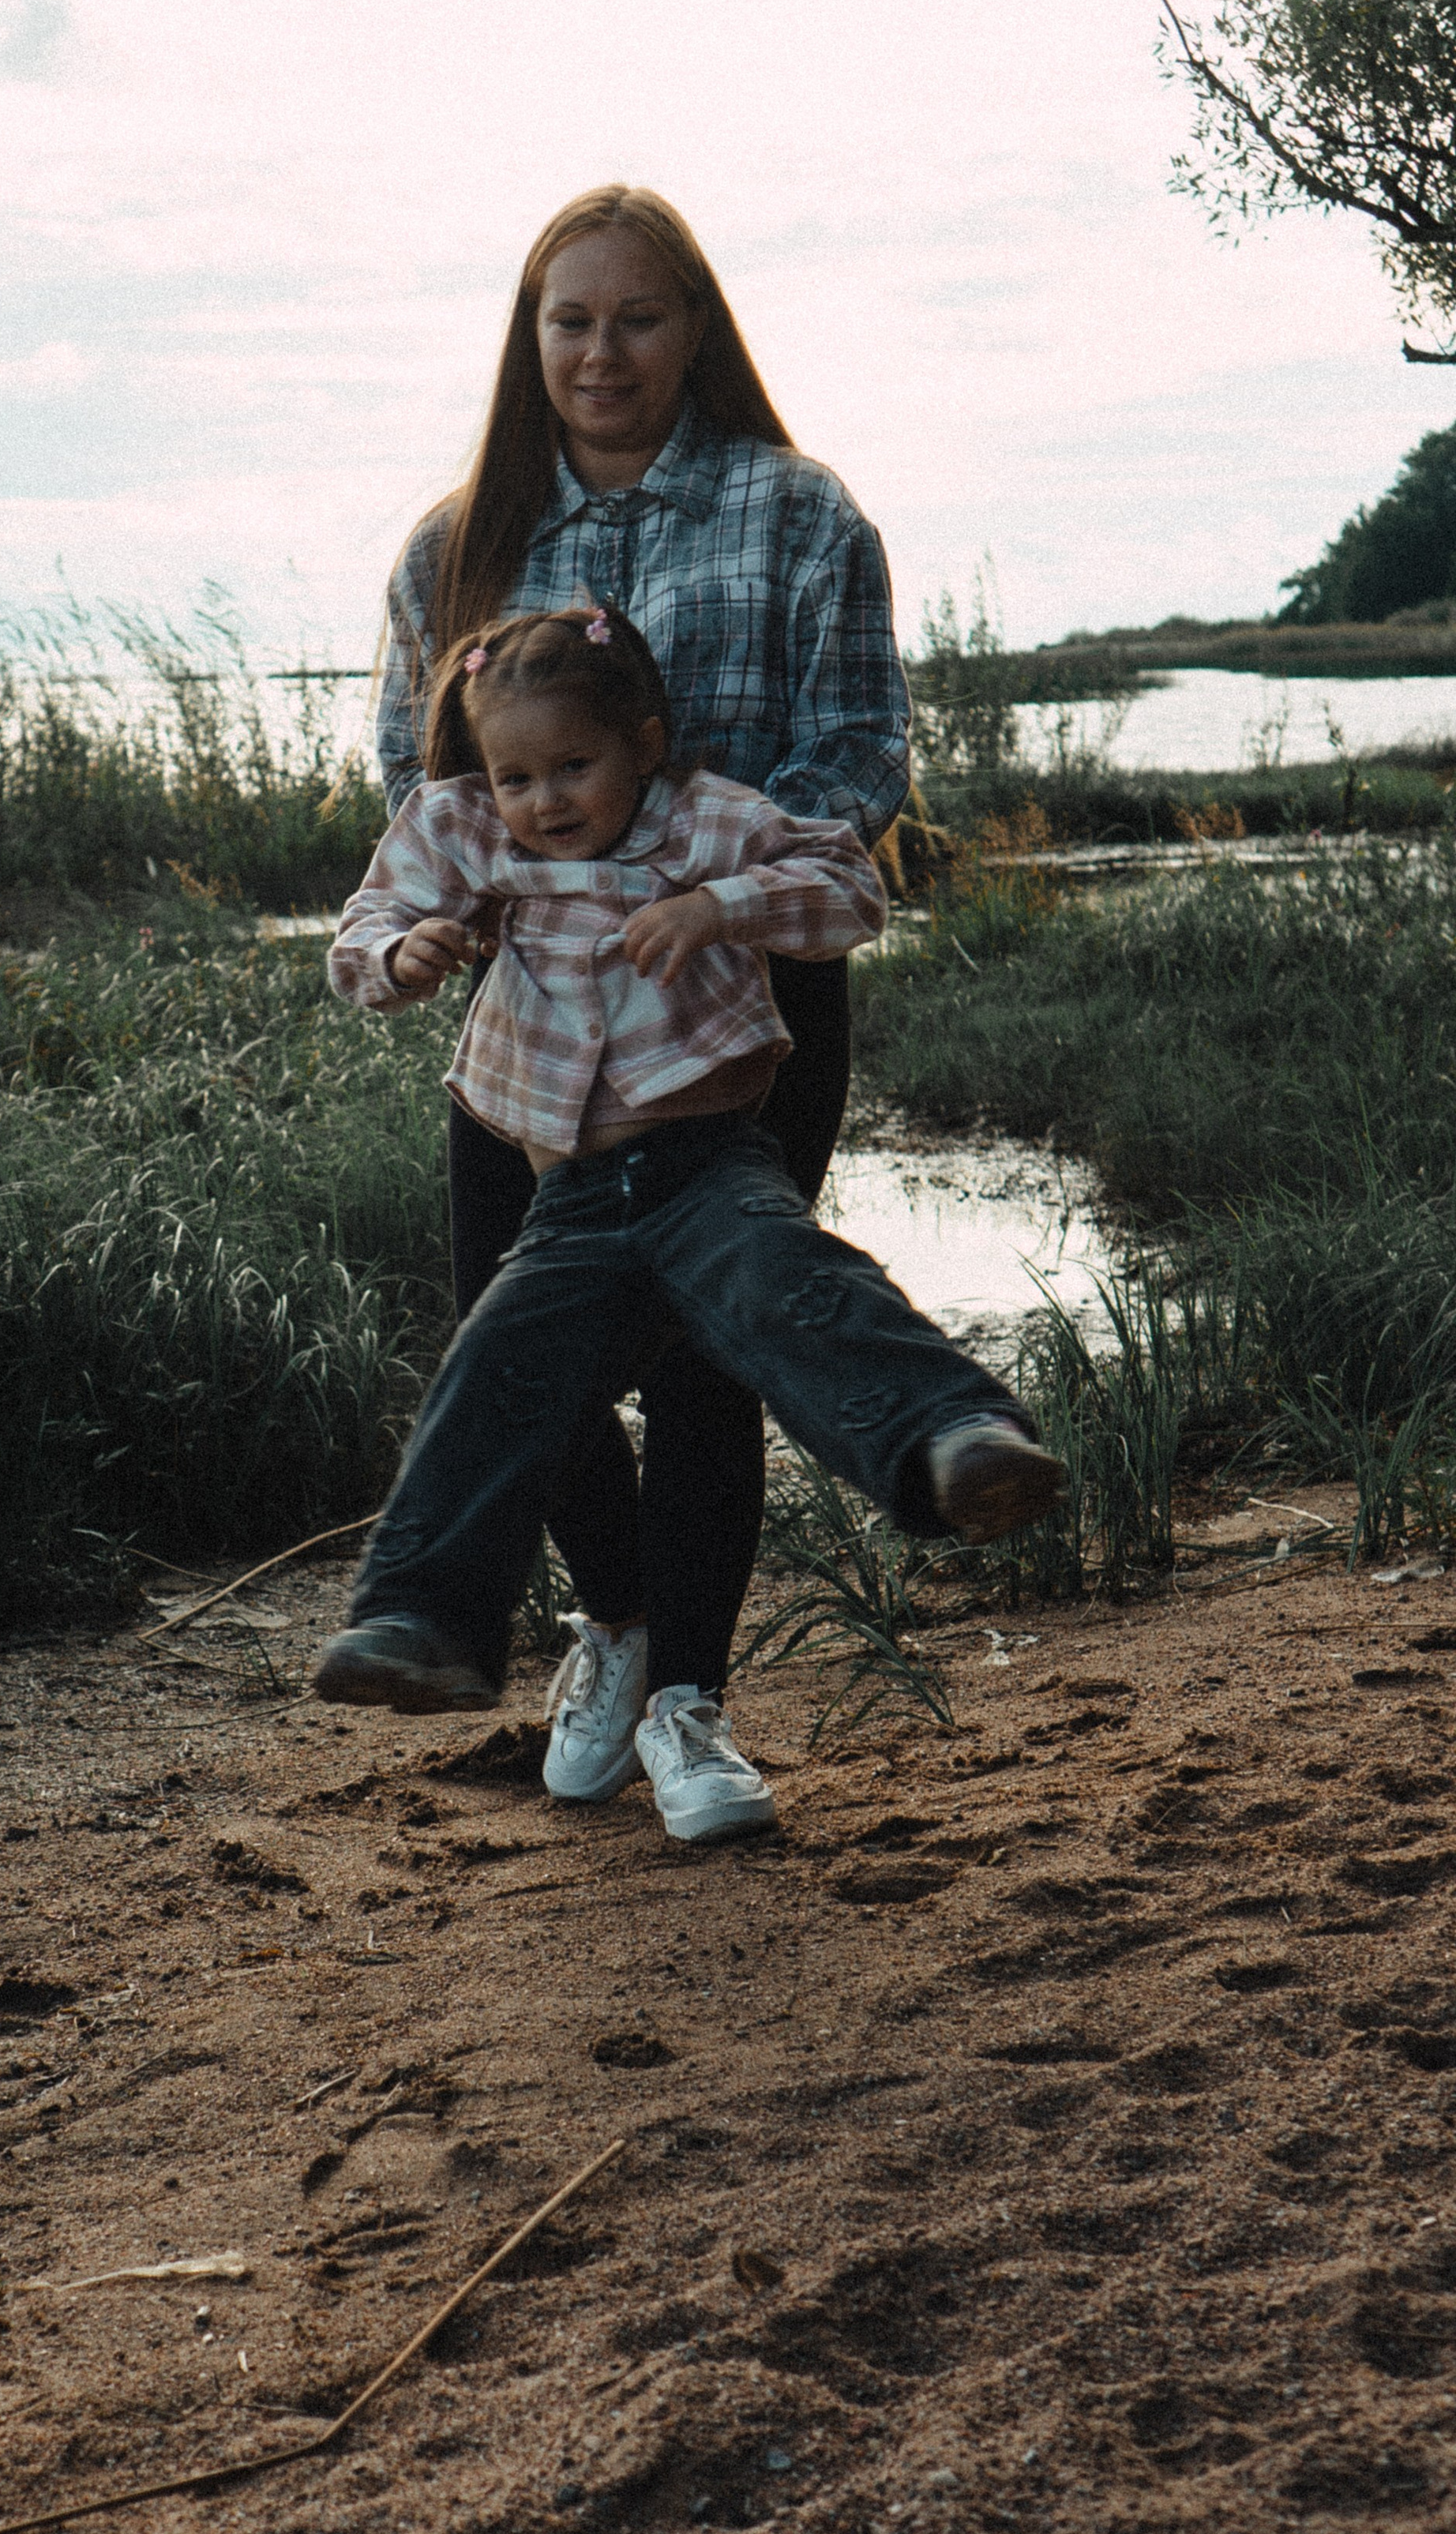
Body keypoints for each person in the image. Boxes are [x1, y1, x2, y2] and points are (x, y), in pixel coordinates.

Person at [316, 604, 1062, 1841]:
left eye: (576, 768)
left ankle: (957, 1443)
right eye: (518, 776)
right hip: (569, 1201)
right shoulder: (466, 830)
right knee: (497, 1378)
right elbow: (363, 933)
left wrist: (722, 909)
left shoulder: (708, 819)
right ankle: (425, 1617)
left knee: (800, 1293)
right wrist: (408, 954)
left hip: (707, 1165)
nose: (546, 800)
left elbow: (849, 889)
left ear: (645, 745)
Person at [377, 182, 910, 1825]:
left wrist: (710, 883)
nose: (601, 352)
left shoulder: (797, 515)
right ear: (527, 338)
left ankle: (690, 1700)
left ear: (695, 332)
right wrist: (444, 916)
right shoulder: (454, 543)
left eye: (636, 317)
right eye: (568, 319)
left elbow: (857, 755)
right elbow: (416, 780)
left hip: (737, 993)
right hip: (528, 1018)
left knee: (704, 1352)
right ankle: (607, 1623)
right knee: (511, 1351)